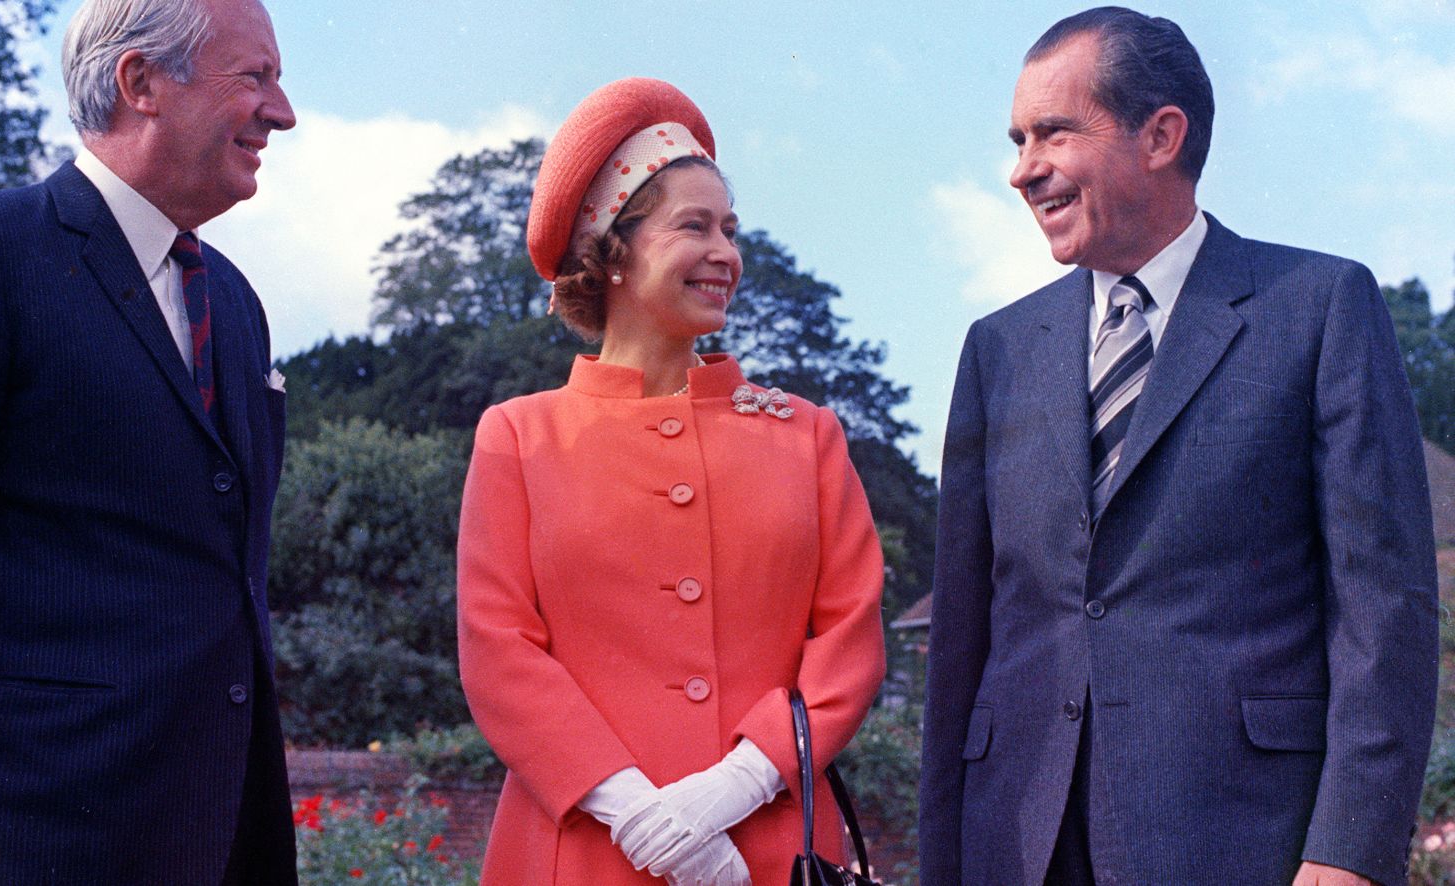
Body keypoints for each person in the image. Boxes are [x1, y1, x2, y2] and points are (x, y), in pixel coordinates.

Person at [918, 7, 1440, 886]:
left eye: (1053, 132)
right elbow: (963, 636)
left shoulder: (1318, 308)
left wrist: (1348, 852)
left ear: (1161, 136)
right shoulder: (995, 349)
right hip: (1015, 843)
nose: (1021, 171)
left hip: (1244, 842)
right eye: (1017, 138)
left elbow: (1384, 611)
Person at [0, 0, 297, 881]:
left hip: (218, 845)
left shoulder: (238, 303)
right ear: (141, 82)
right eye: (254, 76)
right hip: (26, 843)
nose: (282, 111)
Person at [456, 77, 886, 885]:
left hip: (770, 844)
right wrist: (642, 816)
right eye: (695, 226)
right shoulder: (517, 436)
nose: (727, 252)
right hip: (584, 847)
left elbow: (849, 640)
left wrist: (732, 788)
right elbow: (499, 653)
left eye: (731, 228)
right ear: (611, 250)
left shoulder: (809, 436)